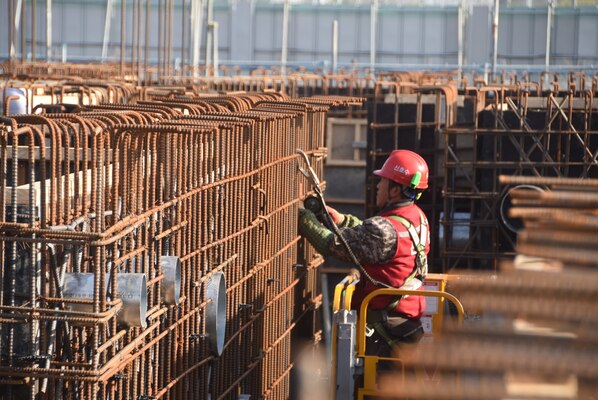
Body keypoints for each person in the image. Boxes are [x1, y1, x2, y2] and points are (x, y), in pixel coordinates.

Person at [298, 149, 430, 359]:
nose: (378, 186)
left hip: (383, 333)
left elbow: (335, 245)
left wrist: (304, 220)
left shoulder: (384, 230)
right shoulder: (417, 218)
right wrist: (342, 220)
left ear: (395, 190)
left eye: (383, 181)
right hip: (405, 324)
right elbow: (377, 240)